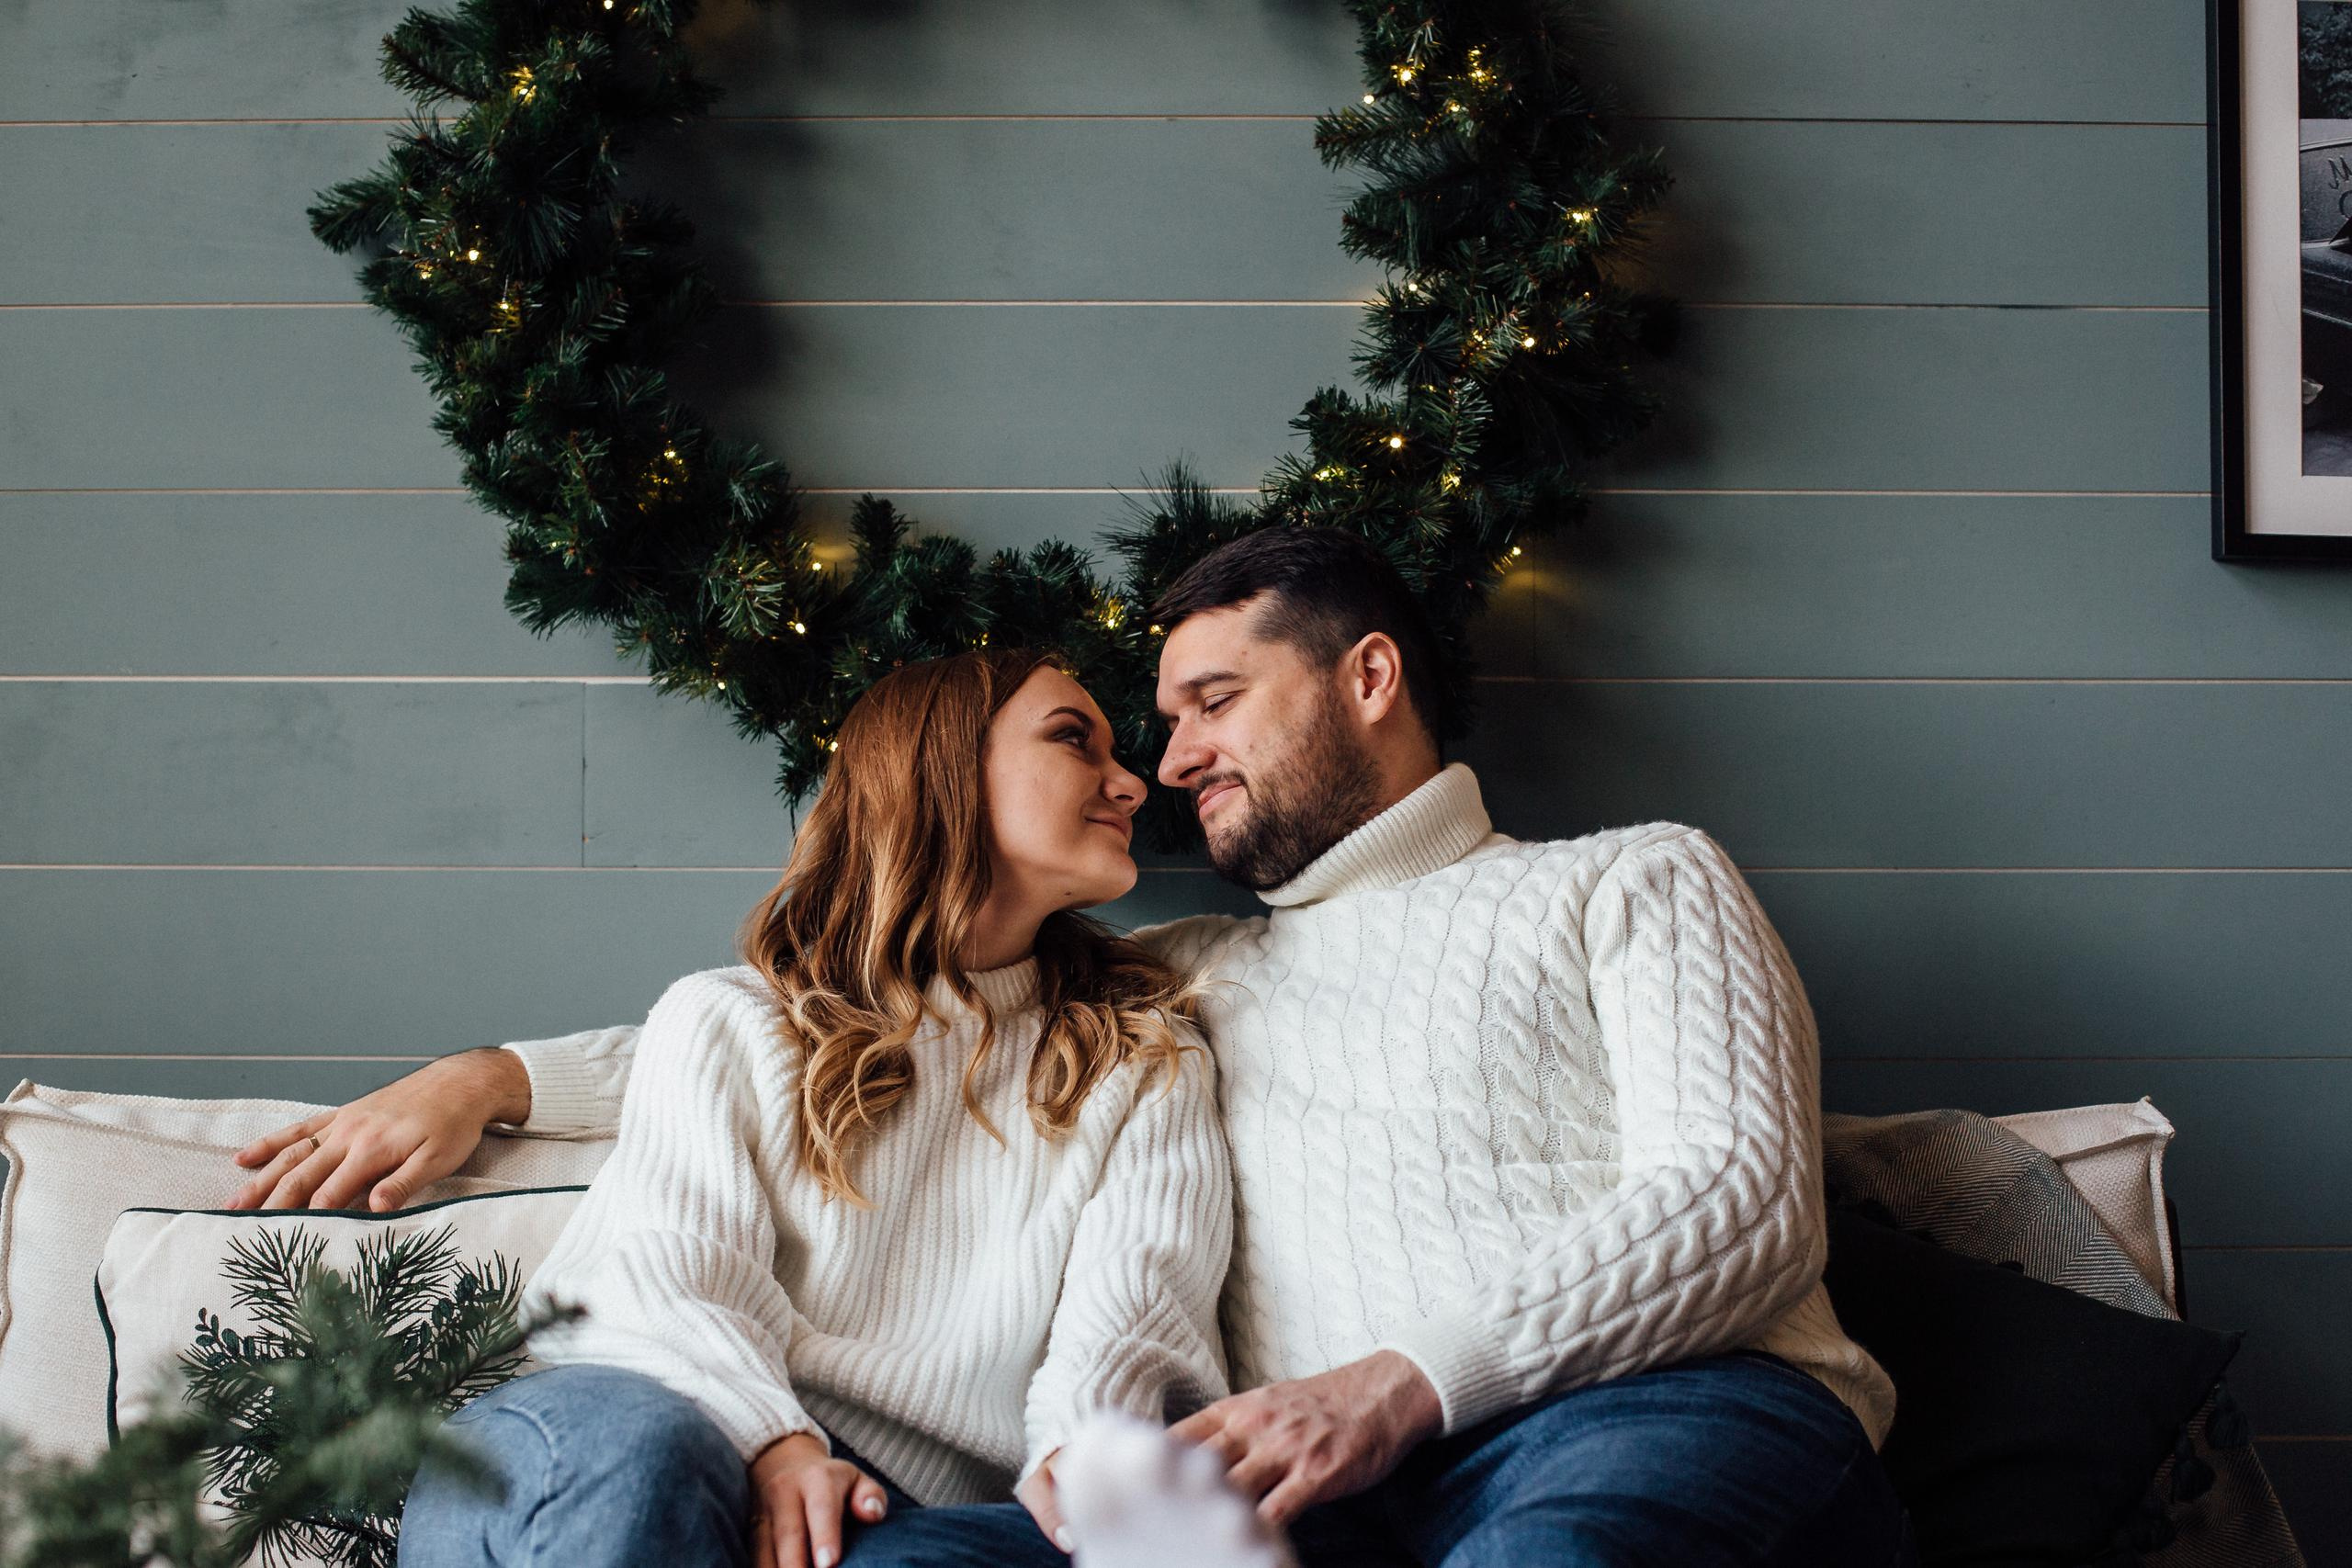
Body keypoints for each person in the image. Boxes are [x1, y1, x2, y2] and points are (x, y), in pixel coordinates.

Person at [239, 527, 1916, 1567]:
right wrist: (496, 1076)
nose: (1167, 761)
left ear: (1372, 676)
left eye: (1206, 703)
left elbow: (1747, 1201)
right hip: (1305, 1500)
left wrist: (1388, 1391)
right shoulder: (1181, 982)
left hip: (1632, 1415)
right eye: (1127, 727)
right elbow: (837, 1016)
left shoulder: (1627, 880)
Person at [354, 649, 1232, 1568]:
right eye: (1072, 742)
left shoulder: (1143, 1058)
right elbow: (665, 1268)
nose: (1131, 784)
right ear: (941, 768)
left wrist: (1082, 1457)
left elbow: (1136, 1303)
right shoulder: (729, 1020)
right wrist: (776, 1442)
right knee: (639, 1462)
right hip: (652, 1422)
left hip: (911, 1519)